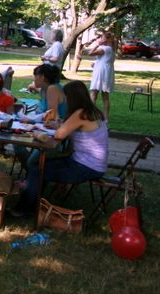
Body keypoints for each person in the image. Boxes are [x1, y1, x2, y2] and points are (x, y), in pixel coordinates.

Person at [11, 80, 109, 217]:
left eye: (66, 97)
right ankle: (35, 202)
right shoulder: (92, 111)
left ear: (72, 98)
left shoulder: (80, 113)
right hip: (91, 164)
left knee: (37, 169)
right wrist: (59, 125)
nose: (65, 100)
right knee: (41, 165)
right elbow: (70, 128)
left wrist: (51, 129)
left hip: (86, 167)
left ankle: (25, 209)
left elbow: (59, 135)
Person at [85, 31, 116, 124]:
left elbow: (90, 53)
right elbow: (105, 60)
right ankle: (106, 119)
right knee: (105, 96)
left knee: (93, 94)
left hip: (100, 73)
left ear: (106, 40)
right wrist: (96, 63)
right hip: (107, 72)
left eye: (101, 38)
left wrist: (97, 45)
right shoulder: (112, 49)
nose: (100, 39)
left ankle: (90, 116)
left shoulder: (104, 48)